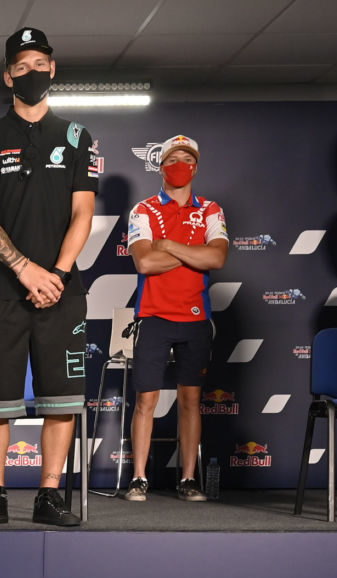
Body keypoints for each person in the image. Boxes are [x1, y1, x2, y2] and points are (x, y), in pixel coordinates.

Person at [0, 26, 98, 528]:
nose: (32, 73)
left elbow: (83, 214)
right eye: (21, 67)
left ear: (53, 69)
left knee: (61, 399)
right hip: (3, 290)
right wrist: (23, 269)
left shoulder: (78, 136)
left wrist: (56, 274)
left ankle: (48, 494)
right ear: (7, 75)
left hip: (62, 291)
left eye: (40, 64)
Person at [123, 135, 229, 502]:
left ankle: (187, 479)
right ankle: (138, 478)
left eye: (186, 158)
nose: (180, 163)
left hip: (196, 318)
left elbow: (217, 259)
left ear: (195, 167)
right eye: (172, 158)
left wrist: (168, 245)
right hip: (153, 316)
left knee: (190, 399)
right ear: (161, 166)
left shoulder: (212, 210)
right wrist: (193, 253)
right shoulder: (143, 210)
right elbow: (145, 262)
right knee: (146, 401)